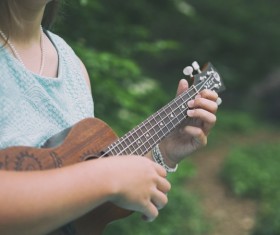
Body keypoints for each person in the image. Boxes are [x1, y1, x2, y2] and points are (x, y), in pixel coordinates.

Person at [0, 0, 219, 234]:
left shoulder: (73, 67)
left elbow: (80, 207)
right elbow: (97, 179)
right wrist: (105, 177)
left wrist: (163, 151)